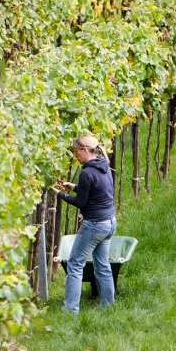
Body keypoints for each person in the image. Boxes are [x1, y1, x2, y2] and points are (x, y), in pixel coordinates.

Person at [53, 135, 117, 315]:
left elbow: (81, 202)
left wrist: (59, 194)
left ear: (84, 150)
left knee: (74, 264)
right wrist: (71, 186)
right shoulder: (103, 165)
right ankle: (108, 307)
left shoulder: (87, 172)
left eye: (76, 151)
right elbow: (95, 189)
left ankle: (70, 310)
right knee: (102, 265)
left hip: (95, 225)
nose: (75, 156)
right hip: (110, 223)